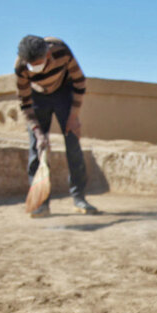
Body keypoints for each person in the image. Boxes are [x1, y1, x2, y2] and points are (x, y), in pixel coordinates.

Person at [14, 35, 98, 216]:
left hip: (64, 93)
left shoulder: (61, 51)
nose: (35, 68)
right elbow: (25, 104)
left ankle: (79, 198)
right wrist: (38, 133)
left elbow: (80, 82)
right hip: (37, 99)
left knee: (73, 145)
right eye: (32, 65)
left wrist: (73, 116)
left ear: (48, 56)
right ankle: (40, 203)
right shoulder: (21, 66)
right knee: (37, 151)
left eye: (39, 63)